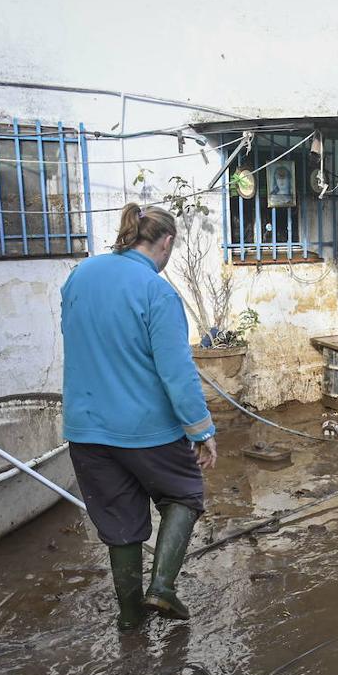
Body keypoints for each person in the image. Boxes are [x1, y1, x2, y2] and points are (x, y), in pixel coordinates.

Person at [61, 203, 218, 630]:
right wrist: (202, 429)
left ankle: (130, 621)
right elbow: (176, 371)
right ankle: (162, 588)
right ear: (165, 242)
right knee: (184, 493)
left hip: (86, 429)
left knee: (120, 525)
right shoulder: (157, 291)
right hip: (147, 430)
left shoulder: (81, 275)